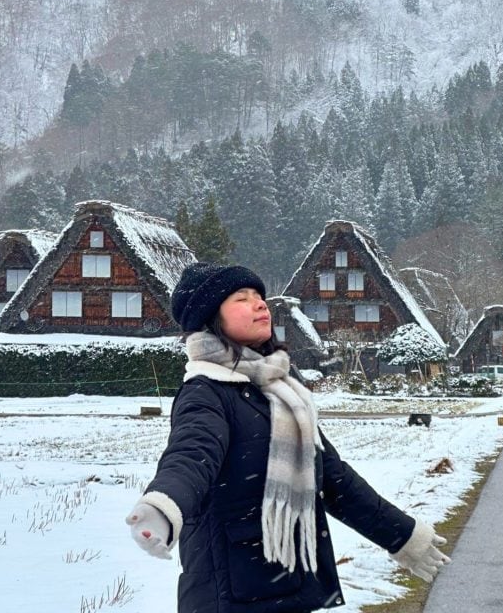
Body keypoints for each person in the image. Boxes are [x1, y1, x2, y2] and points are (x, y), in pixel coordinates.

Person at [126, 263, 450, 613]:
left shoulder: (281, 390)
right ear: (209, 317)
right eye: (242, 298)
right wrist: (163, 506)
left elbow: (332, 478)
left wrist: (401, 534)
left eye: (260, 297)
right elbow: (192, 454)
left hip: (286, 584)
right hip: (231, 594)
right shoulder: (205, 391)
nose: (260, 304)